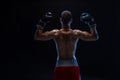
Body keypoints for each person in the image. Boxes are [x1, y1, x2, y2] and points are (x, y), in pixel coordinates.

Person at [34, 10, 99, 80]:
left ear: (60, 19)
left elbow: (37, 36)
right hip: (73, 65)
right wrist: (92, 24)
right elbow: (94, 37)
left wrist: (41, 23)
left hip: (60, 66)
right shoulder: (76, 33)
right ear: (71, 20)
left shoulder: (56, 33)